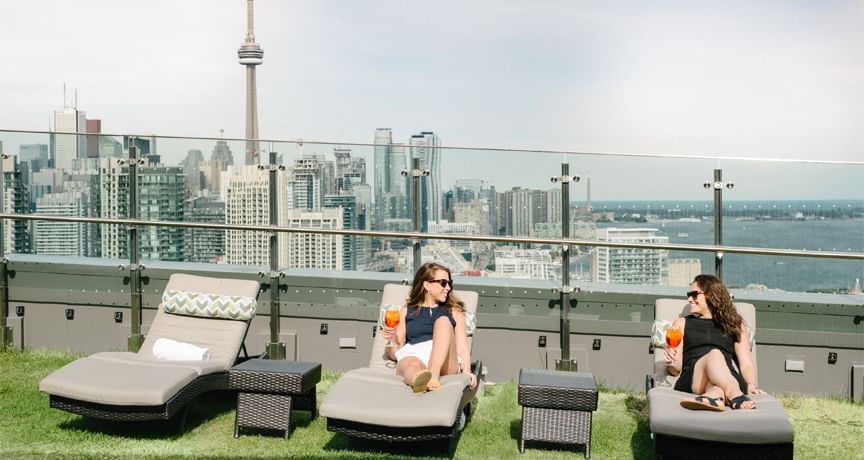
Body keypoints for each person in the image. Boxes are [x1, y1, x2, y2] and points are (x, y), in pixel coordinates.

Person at [665, 274, 760, 411]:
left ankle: (714, 397)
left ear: (711, 295)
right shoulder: (681, 323)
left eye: (694, 295)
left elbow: (746, 364)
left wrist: (751, 383)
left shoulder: (735, 325)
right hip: (694, 378)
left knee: (715, 386)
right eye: (689, 295)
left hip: (726, 376)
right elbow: (675, 369)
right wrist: (671, 363)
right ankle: (735, 395)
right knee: (714, 354)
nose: (689, 299)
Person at [381, 262, 477, 393]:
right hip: (415, 355)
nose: (448, 287)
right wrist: (390, 339)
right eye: (443, 283)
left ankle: (433, 375)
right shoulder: (406, 311)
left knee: (443, 321)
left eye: (450, 283)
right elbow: (395, 354)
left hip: (445, 361)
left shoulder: (454, 311)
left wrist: (467, 372)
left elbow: (463, 349)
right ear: (427, 285)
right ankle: (419, 381)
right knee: (412, 365)